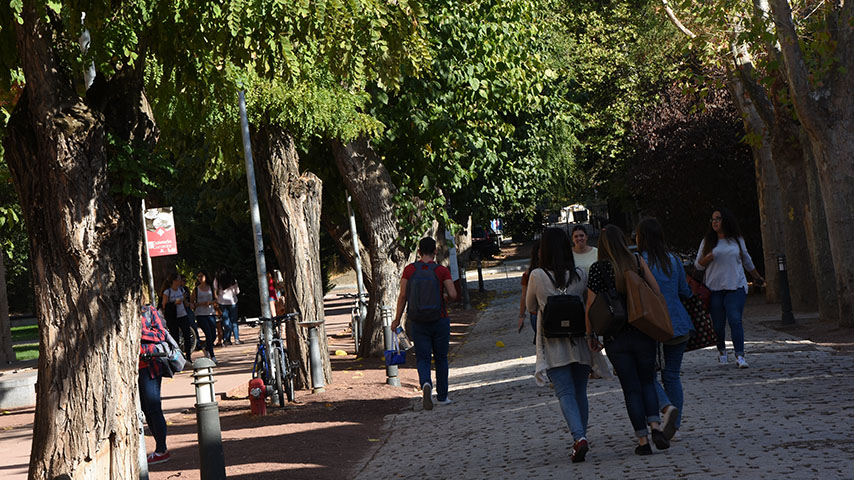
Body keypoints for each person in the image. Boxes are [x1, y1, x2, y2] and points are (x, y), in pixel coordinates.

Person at [585, 225, 670, 455]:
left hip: (615, 336)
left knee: (631, 389)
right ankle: (655, 426)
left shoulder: (598, 269)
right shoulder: (636, 261)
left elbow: (590, 305)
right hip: (643, 330)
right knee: (648, 381)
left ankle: (642, 441)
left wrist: (590, 334)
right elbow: (656, 289)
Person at [526, 227, 593, 463]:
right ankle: (581, 436)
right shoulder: (580, 274)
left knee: (565, 392)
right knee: (580, 392)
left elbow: (531, 306)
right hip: (579, 341)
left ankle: (579, 437)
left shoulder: (537, 275)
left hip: (553, 344)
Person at [636, 218, 693, 441]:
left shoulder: (639, 261)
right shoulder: (674, 260)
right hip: (678, 323)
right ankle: (674, 427)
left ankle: (666, 407)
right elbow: (684, 291)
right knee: (672, 376)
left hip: (651, 325)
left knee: (647, 376)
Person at [391, 237, 457, 411]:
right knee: (441, 358)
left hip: (418, 321)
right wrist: (444, 297)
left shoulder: (409, 270)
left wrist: (397, 319)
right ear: (435, 251)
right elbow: (453, 294)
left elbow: (403, 296)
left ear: (419, 252)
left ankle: (426, 383)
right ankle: (442, 396)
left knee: (423, 358)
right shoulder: (441, 271)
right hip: (440, 319)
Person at [695, 208, 765, 368]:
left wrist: (757, 277)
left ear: (726, 220)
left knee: (735, 319)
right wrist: (706, 259)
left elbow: (747, 260)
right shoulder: (707, 241)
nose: (714, 222)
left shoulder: (737, 240)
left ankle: (740, 355)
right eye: (712, 219)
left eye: (718, 218)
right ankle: (722, 351)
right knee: (718, 325)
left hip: (736, 285)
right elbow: (698, 266)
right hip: (714, 288)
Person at [139, 304, 170, 465]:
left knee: (153, 408)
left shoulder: (148, 310)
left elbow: (161, 334)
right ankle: (159, 449)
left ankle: (162, 449)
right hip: (131, 369)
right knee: (144, 409)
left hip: (149, 366)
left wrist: (139, 332)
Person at [161, 273, 194, 361]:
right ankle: (178, 358)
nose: (181, 281)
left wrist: (189, 304)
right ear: (174, 281)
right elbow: (164, 305)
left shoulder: (181, 290)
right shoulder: (168, 292)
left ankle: (188, 357)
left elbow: (185, 302)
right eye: (179, 279)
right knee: (175, 337)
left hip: (183, 315)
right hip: (173, 317)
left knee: (187, 336)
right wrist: (174, 303)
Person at [192, 271, 218, 363]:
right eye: (198, 276)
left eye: (201, 276)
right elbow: (192, 302)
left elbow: (216, 299)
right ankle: (212, 355)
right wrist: (200, 304)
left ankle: (206, 348)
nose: (200, 278)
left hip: (210, 313)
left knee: (213, 334)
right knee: (208, 334)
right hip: (200, 314)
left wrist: (210, 302)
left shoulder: (211, 288)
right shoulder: (196, 289)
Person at [518, 241, 541, 341]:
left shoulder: (556, 270)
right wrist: (521, 315)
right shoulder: (529, 273)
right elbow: (524, 295)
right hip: (536, 313)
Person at [215, 268, 243, 345]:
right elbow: (237, 291)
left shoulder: (217, 279)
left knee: (226, 321)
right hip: (232, 301)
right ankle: (236, 339)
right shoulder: (233, 280)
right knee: (234, 321)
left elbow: (215, 289)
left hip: (222, 301)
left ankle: (227, 339)